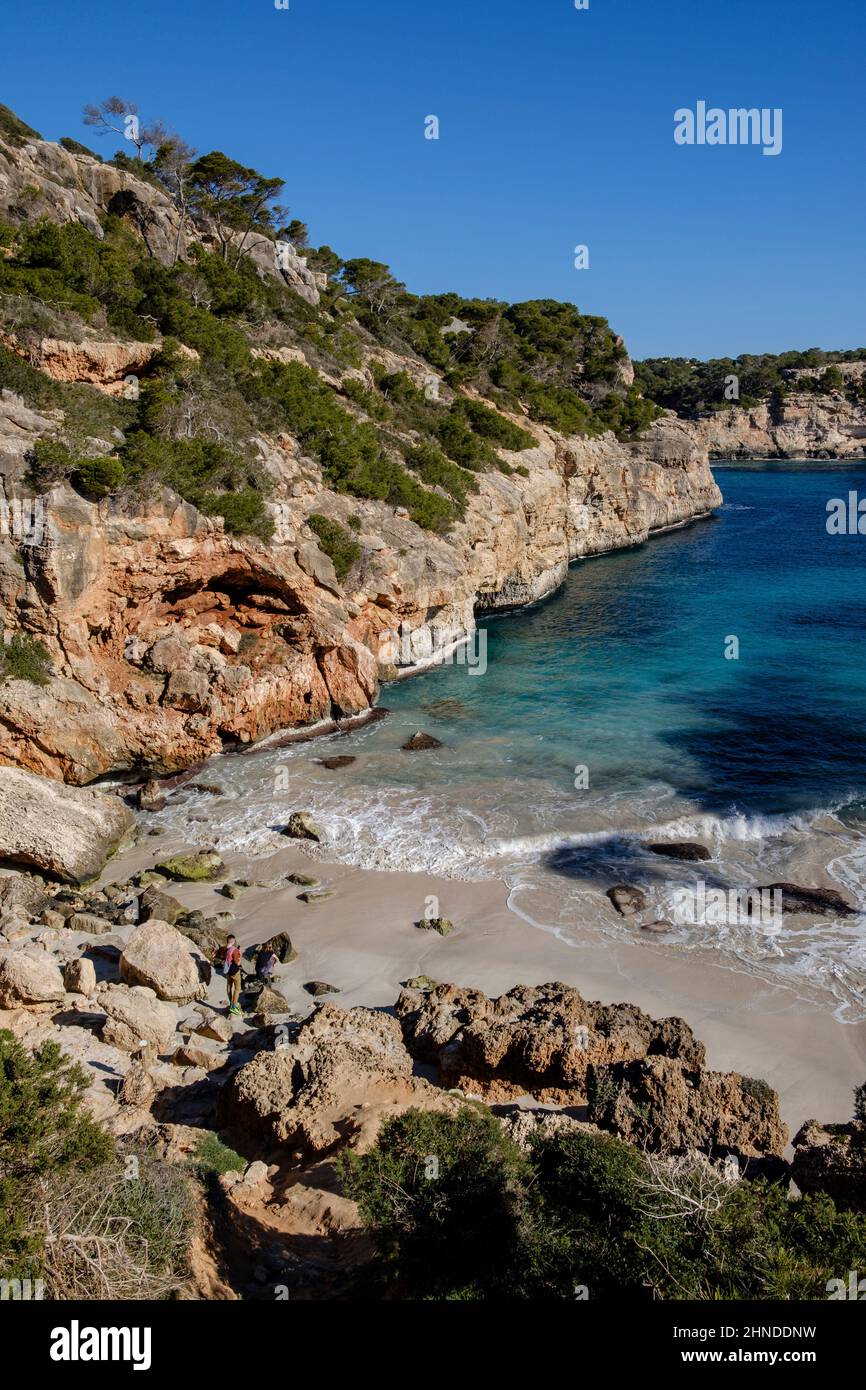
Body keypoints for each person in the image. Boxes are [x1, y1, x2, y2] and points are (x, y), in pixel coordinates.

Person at [223, 934, 243, 1016]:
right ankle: (233, 1006)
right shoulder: (234, 950)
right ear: (233, 941)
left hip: (228, 971)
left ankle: (231, 1002)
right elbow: (237, 962)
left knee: (229, 987)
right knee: (237, 989)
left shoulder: (225, 949)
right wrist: (240, 956)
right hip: (235, 972)